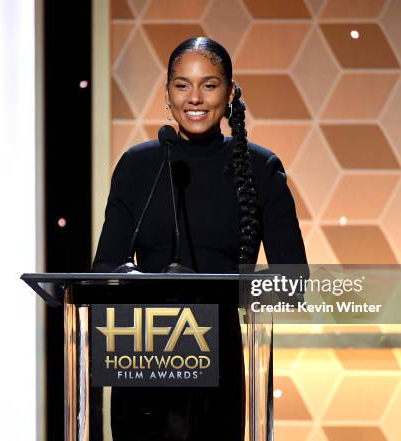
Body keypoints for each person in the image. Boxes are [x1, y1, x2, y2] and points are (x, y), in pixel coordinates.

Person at [93, 37, 307, 440]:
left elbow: (292, 281)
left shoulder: (261, 169)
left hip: (216, 368)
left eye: (209, 85)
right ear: (167, 94)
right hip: (141, 360)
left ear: (229, 93)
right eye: (182, 85)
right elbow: (103, 268)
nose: (195, 97)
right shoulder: (139, 165)